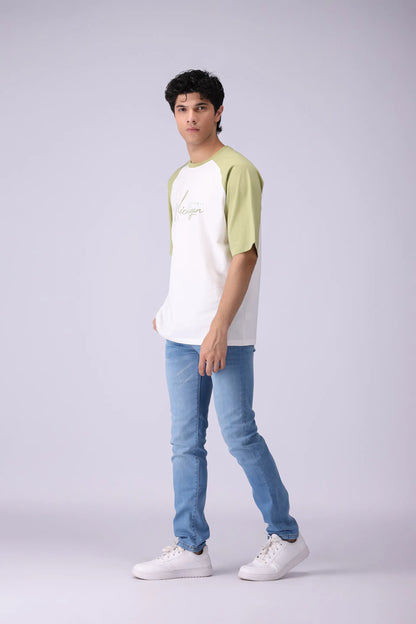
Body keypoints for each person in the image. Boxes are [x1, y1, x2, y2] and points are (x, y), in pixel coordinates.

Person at [132, 69, 309, 581]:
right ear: (174, 116)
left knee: (239, 434)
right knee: (185, 442)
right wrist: (172, 308)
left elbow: (244, 255)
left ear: (219, 112)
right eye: (182, 109)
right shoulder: (177, 179)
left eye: (201, 107)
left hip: (223, 332)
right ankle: (191, 547)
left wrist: (218, 328)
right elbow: (189, 256)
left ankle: (286, 536)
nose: (191, 117)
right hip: (180, 332)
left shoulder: (237, 171)